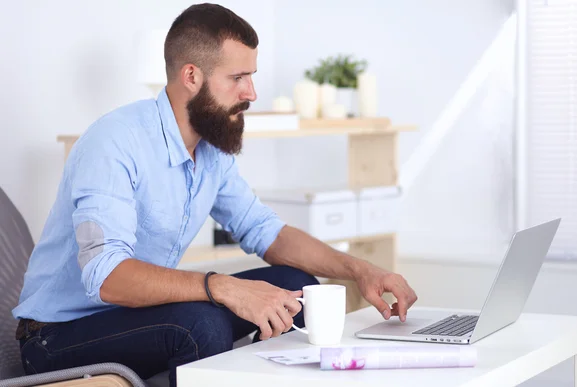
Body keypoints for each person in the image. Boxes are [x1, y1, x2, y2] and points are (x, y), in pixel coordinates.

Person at [12, 3, 417, 386]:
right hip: (57, 337)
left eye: (251, 76)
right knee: (199, 325)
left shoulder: (210, 150)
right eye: (238, 78)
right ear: (192, 76)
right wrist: (222, 286)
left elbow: (266, 232)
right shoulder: (115, 142)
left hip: (139, 318)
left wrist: (361, 270)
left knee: (298, 288)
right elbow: (108, 278)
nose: (252, 93)